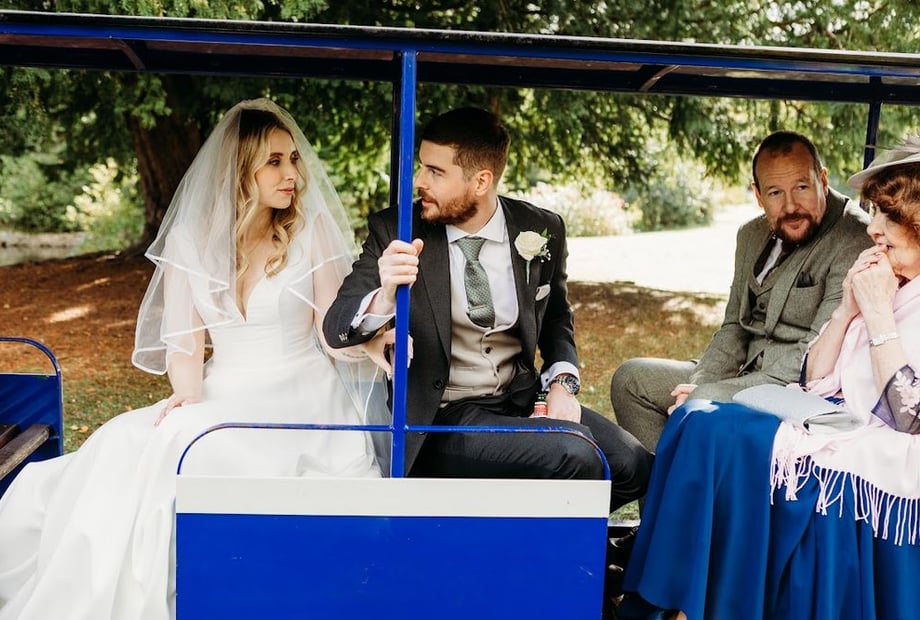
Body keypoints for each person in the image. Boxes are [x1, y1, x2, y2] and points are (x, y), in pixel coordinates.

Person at [0, 98, 389, 620]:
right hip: (224, 388)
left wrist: (372, 340)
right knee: (126, 443)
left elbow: (330, 328)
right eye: (274, 162)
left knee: (199, 455)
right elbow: (185, 346)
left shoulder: (309, 230)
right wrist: (185, 396)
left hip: (302, 394)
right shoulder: (189, 240)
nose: (292, 175)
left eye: (293, 160)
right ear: (241, 170)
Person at [618, 139, 920, 620]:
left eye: (887, 216)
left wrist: (877, 312)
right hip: (816, 406)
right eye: (775, 192)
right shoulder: (876, 272)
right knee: (679, 408)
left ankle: (684, 592)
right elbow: (801, 366)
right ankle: (674, 566)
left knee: (704, 423)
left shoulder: (856, 248)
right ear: (758, 195)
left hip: (866, 439)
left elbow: (909, 416)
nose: (874, 230)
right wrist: (848, 309)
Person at [323, 107, 653, 509]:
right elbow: (336, 326)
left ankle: (531, 531)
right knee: (576, 454)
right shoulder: (396, 229)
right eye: (422, 167)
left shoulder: (540, 228)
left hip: (521, 401)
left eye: (435, 172)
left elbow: (556, 321)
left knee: (634, 466)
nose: (419, 181)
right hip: (441, 419)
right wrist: (386, 294)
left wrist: (562, 386)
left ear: (481, 181)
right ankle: (537, 538)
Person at [611, 131, 873, 454]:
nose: (791, 206)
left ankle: (686, 479)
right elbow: (734, 327)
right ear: (758, 195)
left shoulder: (854, 237)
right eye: (775, 193)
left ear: (822, 179)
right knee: (631, 380)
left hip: (798, 389)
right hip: (741, 374)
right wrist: (700, 381)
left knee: (699, 405)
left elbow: (812, 357)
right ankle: (663, 486)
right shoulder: (750, 234)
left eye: (802, 187)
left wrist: (708, 393)